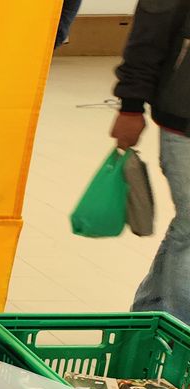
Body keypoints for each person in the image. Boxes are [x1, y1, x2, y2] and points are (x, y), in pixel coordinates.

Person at [112, 0, 190, 322]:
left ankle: (153, 322)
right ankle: (177, 331)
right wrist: (131, 105)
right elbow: (151, 28)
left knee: (187, 229)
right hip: (184, 118)